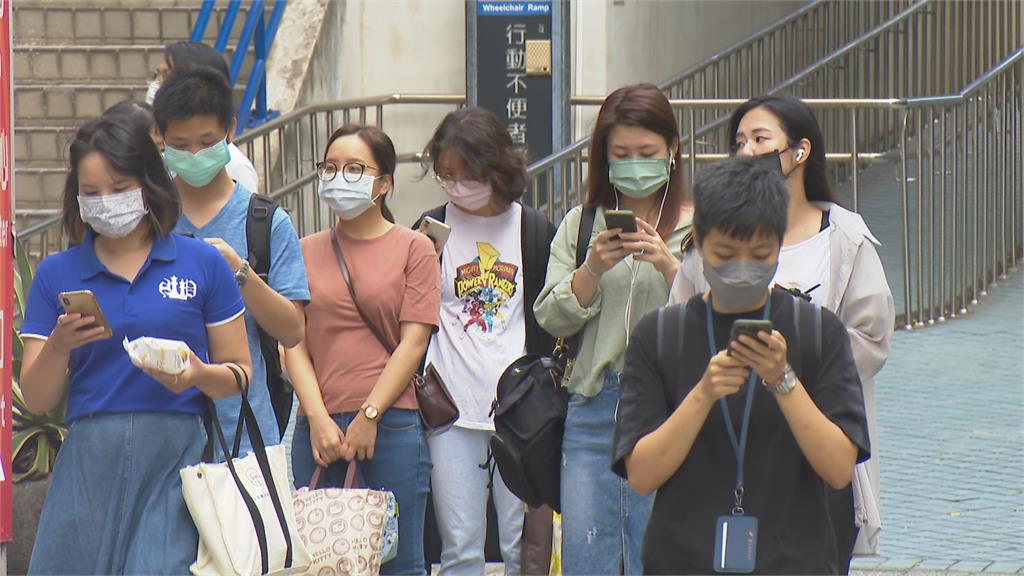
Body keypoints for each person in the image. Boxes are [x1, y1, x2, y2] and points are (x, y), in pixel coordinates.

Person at [668, 94, 894, 569]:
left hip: (815, 448)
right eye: (739, 142)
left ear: (800, 151)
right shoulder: (705, 242)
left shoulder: (844, 238)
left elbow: (872, 340)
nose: (747, 150)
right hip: (726, 450)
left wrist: (796, 350)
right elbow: (679, 331)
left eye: (760, 139)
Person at [613, 158, 870, 574]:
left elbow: (839, 469)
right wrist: (704, 393)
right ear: (698, 240)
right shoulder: (660, 334)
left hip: (794, 559)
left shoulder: (816, 331)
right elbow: (641, 475)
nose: (743, 267)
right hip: (683, 559)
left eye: (760, 253)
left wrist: (783, 380)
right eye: (726, 254)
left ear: (779, 244)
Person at [20, 114, 252, 574]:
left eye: (119, 187)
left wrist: (195, 375)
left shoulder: (201, 261)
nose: (105, 203)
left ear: (148, 182)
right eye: (90, 193)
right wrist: (59, 345)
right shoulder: (56, 274)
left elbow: (240, 373)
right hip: (89, 460)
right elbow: (40, 397)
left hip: (175, 457)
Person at [533, 83, 692, 575]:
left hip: (672, 410)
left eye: (647, 152)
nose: (634, 163)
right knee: (590, 557)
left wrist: (672, 267)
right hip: (591, 408)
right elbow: (549, 317)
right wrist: (590, 271)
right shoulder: (580, 226)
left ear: (672, 151)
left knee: (660, 556)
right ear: (603, 157)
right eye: (621, 153)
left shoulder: (700, 226)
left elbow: (715, 319)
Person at [285, 125, 440, 575]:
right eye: (330, 168)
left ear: (385, 182)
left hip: (390, 426)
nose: (339, 178)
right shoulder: (302, 250)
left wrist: (368, 416)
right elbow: (292, 341)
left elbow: (414, 341)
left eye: (355, 169)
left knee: (400, 563)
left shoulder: (415, 248)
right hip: (316, 430)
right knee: (316, 560)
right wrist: (316, 419)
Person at [414, 107, 557, 575]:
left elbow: (547, 318)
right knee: (459, 546)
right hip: (450, 409)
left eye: (466, 174)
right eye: (445, 175)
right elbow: (410, 313)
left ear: (494, 168)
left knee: (523, 547)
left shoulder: (533, 230)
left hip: (520, 411)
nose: (455, 187)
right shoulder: (431, 228)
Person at [152, 66, 309, 451]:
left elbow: (292, 330)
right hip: (164, 435)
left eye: (206, 142)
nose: (193, 155)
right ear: (161, 139)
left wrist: (240, 271)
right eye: (180, 144)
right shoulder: (148, 221)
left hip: (245, 435)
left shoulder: (266, 222)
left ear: (230, 131)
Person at [147, 40, 259, 193]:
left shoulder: (235, 166)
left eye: (166, 76)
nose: (157, 85)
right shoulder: (168, 157)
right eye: (180, 145)